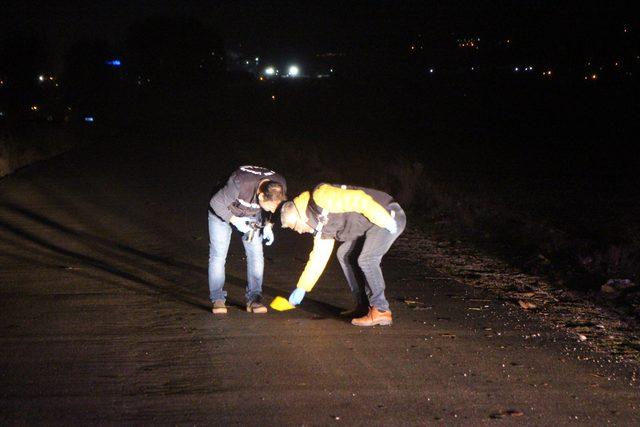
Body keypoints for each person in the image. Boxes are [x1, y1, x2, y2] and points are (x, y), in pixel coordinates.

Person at [280, 183, 406, 326]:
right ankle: (363, 306)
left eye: (295, 226)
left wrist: (385, 220)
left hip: (388, 214)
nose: (299, 232)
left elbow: (359, 199)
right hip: (371, 225)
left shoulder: (320, 197)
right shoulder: (321, 228)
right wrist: (302, 287)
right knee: (344, 254)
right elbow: (318, 259)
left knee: (367, 259)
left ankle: (381, 310)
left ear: (299, 215)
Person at [208, 166, 287, 314]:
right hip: (223, 210)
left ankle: (254, 298)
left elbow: (276, 207)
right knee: (218, 255)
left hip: (251, 214)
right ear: (261, 196)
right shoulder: (240, 182)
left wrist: (269, 224)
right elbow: (215, 202)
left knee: (256, 254)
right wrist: (235, 220)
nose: (271, 210)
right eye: (268, 207)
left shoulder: (279, 185)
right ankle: (217, 298)